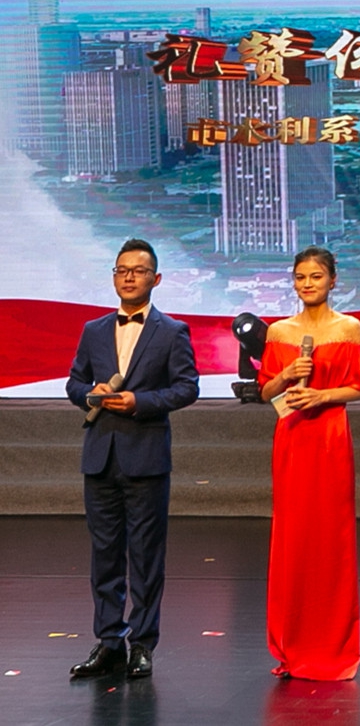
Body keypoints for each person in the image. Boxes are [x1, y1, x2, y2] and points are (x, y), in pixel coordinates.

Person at [65, 238, 199, 680]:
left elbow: (187, 388)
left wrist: (140, 401)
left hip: (146, 456)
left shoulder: (172, 331)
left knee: (145, 557)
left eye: (138, 271)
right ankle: (109, 642)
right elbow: (74, 383)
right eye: (121, 270)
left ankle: (142, 643)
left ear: (155, 279)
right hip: (100, 456)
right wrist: (91, 393)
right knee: (104, 555)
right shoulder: (94, 330)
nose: (128, 277)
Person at [258, 247, 360, 680]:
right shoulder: (278, 332)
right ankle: (291, 644)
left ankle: (333, 643)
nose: (307, 284)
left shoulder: (349, 329)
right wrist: (286, 376)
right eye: (300, 277)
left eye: (316, 276)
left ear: (332, 280)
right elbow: (265, 392)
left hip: (329, 439)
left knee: (331, 537)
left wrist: (323, 395)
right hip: (292, 439)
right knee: (292, 537)